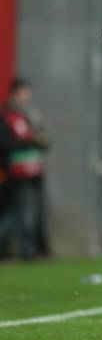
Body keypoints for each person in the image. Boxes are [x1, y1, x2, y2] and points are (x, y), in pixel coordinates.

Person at [0, 79, 48, 260]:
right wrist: (30, 141)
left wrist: (42, 141)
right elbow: (6, 144)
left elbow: (42, 137)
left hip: (34, 170)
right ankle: (29, 251)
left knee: (21, 212)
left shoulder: (31, 114)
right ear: (16, 92)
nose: (28, 95)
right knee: (23, 212)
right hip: (18, 171)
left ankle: (30, 249)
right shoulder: (8, 116)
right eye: (25, 91)